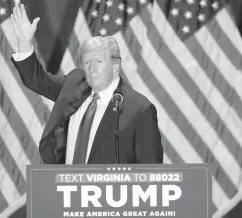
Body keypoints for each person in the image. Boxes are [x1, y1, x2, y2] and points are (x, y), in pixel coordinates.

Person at [10, 3, 163, 164]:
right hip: (65, 185)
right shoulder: (75, 82)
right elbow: (37, 80)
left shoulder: (140, 109)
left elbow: (149, 172)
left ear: (115, 65)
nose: (91, 68)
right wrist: (24, 41)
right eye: (87, 62)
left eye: (98, 61)